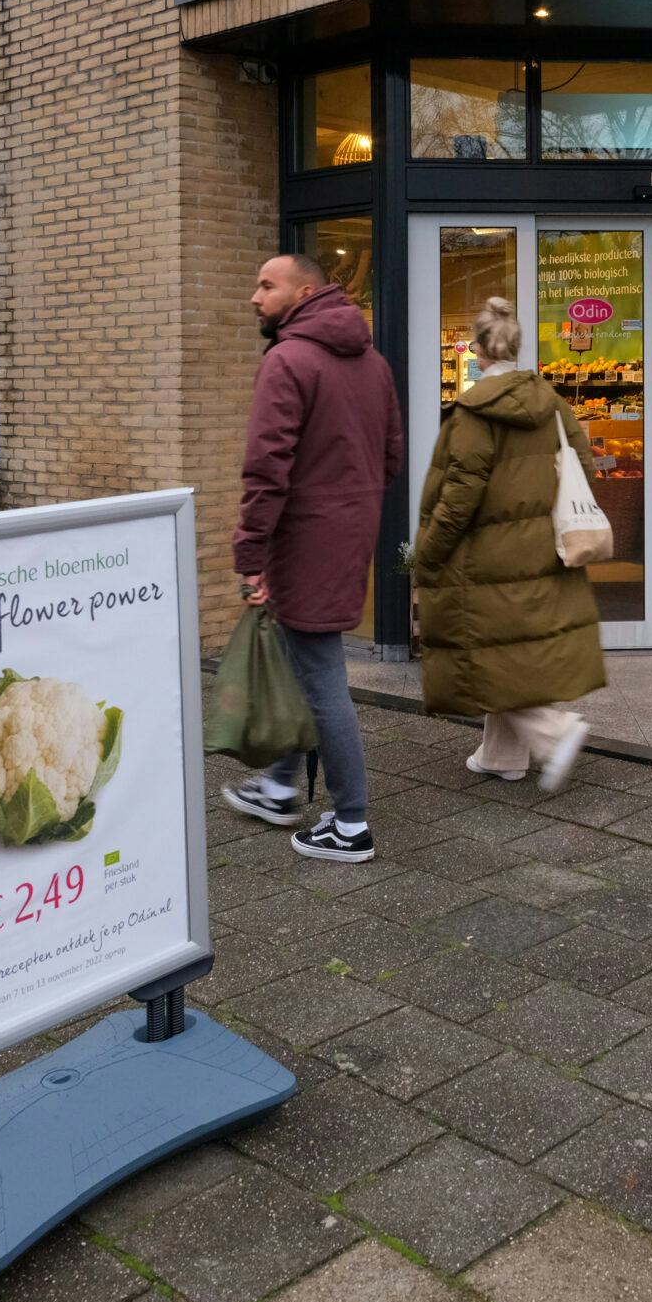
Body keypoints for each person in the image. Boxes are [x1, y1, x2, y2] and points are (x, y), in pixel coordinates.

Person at [222, 252, 403, 863]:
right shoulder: (373, 363)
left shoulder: (287, 360)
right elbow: (392, 456)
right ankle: (278, 785)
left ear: (303, 292)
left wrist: (251, 552)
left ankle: (349, 823)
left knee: (321, 676)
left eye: (266, 285)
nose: (255, 296)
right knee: (303, 662)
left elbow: (266, 470)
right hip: (347, 535)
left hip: (303, 541)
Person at [412, 297, 605, 791]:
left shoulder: (474, 412)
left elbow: (460, 494)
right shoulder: (553, 402)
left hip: (486, 554)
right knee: (504, 649)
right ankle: (502, 756)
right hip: (542, 546)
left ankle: (554, 731)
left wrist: (429, 551)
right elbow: (582, 468)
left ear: (477, 350)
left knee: (486, 649)